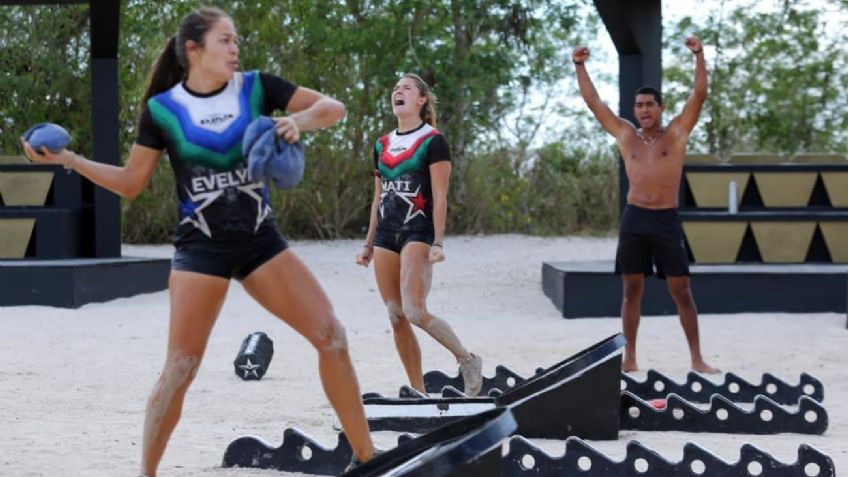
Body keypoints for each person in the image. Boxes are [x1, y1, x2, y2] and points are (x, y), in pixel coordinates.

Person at [21, 7, 376, 476]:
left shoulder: (256, 87)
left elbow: (333, 107)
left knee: (331, 337)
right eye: (225, 40)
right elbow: (131, 182)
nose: (235, 49)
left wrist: (299, 122)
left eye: (236, 41)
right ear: (194, 49)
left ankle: (368, 460)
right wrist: (70, 159)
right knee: (182, 367)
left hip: (259, 241)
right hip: (200, 249)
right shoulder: (163, 111)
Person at [572, 37, 719, 374]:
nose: (644, 110)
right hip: (635, 218)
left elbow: (699, 95)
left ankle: (696, 359)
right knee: (631, 290)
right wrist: (580, 66)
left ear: (661, 108)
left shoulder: (677, 133)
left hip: (666, 219)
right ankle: (630, 357)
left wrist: (699, 55)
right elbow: (593, 102)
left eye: (650, 104)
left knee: (682, 291)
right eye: (639, 105)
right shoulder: (627, 135)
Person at [355, 73, 483, 397]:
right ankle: (419, 391)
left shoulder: (432, 141)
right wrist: (368, 244)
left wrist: (438, 241)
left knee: (414, 311)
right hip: (386, 233)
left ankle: (466, 360)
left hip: (418, 230)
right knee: (395, 314)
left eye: (406, 88)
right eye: (395, 88)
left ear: (421, 100)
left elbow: (441, 195)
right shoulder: (381, 145)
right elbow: (378, 197)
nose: (398, 92)